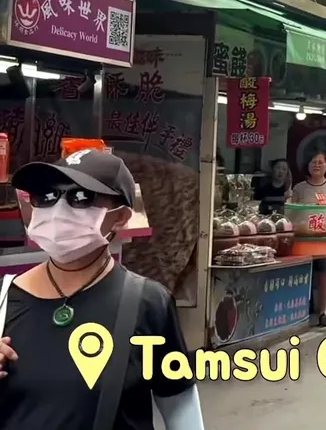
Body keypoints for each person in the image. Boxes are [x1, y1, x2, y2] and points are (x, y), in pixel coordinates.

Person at [0, 150, 205, 429]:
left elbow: (181, 410)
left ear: (120, 217)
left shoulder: (148, 303)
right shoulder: (4, 299)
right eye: (47, 196)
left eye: (81, 197)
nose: (58, 211)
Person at [291, 151, 326, 327]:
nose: (316, 165)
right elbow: (291, 210)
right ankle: (301, 311)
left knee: (324, 275)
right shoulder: (299, 188)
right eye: (313, 162)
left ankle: (323, 312)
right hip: (303, 239)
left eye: (320, 162)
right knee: (303, 275)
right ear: (307, 165)